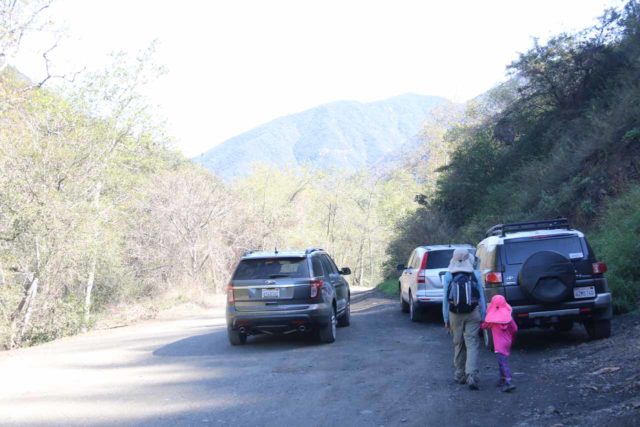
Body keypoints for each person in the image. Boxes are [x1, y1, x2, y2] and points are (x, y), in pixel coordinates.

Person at [442, 248, 486, 390]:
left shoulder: (448, 276)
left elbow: (444, 300)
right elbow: (482, 298)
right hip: (473, 312)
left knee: (458, 343)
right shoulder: (475, 275)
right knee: (472, 343)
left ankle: (460, 375)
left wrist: (445, 319)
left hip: (454, 314)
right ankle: (471, 375)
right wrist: (483, 315)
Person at [481, 295, 518, 392]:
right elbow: (515, 329)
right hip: (508, 342)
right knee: (501, 361)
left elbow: (484, 326)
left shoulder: (492, 321)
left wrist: (480, 324)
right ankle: (502, 379)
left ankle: (508, 381)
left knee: (503, 363)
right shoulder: (508, 318)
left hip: (499, 345)